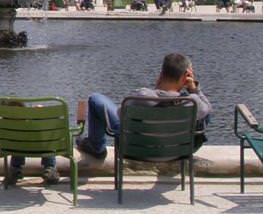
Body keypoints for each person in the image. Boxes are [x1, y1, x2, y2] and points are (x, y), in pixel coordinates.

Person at [76, 53, 212, 161]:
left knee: (96, 99)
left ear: (161, 73)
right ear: (185, 78)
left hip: (136, 151)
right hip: (177, 153)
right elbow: (208, 111)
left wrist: (157, 89)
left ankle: (97, 148)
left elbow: (120, 115)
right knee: (204, 115)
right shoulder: (191, 102)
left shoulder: (141, 96)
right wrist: (194, 89)